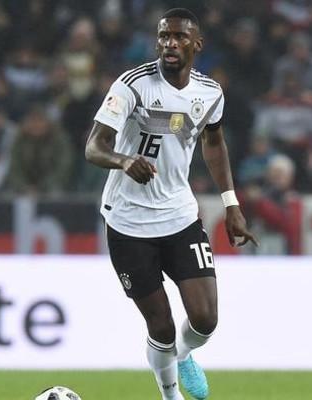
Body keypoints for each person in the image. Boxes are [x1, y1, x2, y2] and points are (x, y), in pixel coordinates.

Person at [85, 8, 258, 400]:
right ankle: (170, 396)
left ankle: (183, 356)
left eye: (179, 37)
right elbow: (94, 146)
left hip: (179, 216)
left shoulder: (209, 93)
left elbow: (214, 142)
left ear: (197, 44)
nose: (170, 44)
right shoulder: (132, 86)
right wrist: (123, 161)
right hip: (128, 223)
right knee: (160, 327)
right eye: (164, 36)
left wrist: (231, 204)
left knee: (205, 320)